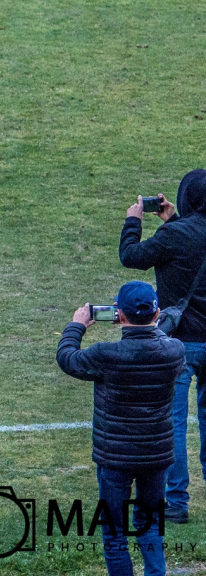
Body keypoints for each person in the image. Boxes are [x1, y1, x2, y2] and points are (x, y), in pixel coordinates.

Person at [58, 282, 185, 576]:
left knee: (114, 531)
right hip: (156, 455)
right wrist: (148, 324)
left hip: (114, 457)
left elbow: (67, 358)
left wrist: (77, 326)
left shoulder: (106, 355)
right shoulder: (174, 351)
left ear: (120, 314)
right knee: (150, 524)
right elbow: (157, 340)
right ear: (156, 313)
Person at [120, 172, 206, 521]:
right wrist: (172, 220)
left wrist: (134, 220)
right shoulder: (178, 230)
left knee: (174, 424)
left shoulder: (175, 236)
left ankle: (177, 502)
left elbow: (131, 256)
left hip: (179, 344)